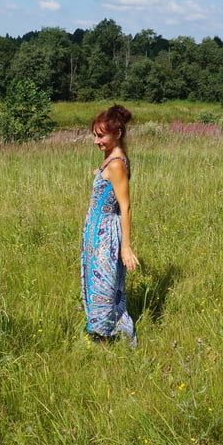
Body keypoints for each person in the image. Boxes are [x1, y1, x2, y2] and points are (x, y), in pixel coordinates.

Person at [81, 104, 139, 346]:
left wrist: (126, 247)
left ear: (117, 133)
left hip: (106, 234)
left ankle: (108, 336)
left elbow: (125, 206)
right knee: (96, 282)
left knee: (105, 285)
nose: (97, 141)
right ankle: (99, 332)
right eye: (95, 135)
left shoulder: (116, 164)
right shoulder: (111, 159)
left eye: (101, 135)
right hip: (95, 231)